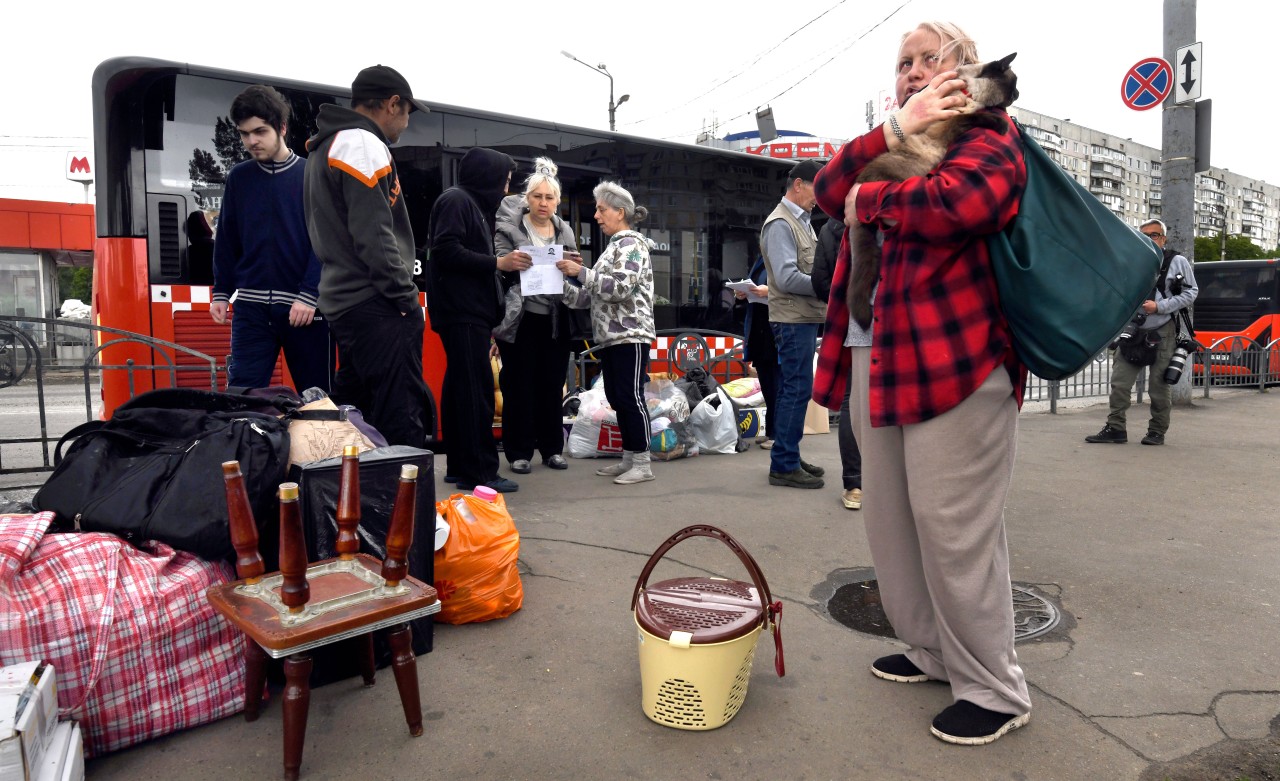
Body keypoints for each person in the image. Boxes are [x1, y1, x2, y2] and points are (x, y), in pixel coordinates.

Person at [812, 21, 1032, 745]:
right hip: (879, 354)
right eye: (901, 64)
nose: (909, 71)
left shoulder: (988, 133)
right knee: (892, 522)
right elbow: (826, 188)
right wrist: (892, 130)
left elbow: (964, 205)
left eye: (924, 60)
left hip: (958, 362)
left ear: (961, 69)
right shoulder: (897, 141)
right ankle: (933, 652)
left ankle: (995, 687)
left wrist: (872, 204)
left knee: (954, 528)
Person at [304, 65, 432, 448]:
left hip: (347, 303)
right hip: (377, 302)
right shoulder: (361, 144)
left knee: (356, 419)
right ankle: (406, 507)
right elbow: (375, 235)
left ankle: (359, 504)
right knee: (399, 417)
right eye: (407, 111)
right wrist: (405, 297)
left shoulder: (326, 145)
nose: (406, 123)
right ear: (393, 104)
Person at [212, 85, 334, 395]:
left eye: (259, 131)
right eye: (243, 133)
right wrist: (222, 292)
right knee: (241, 401)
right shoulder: (239, 178)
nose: (251, 141)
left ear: (281, 127)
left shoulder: (312, 176)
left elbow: (326, 240)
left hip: (306, 311)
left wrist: (309, 294)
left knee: (317, 402)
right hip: (251, 310)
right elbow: (227, 240)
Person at [428, 147, 527, 493]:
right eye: (505, 180)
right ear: (488, 177)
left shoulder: (467, 203)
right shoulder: (458, 202)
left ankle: (460, 464)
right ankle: (480, 472)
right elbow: (445, 250)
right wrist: (497, 264)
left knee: (460, 390)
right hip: (464, 312)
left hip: (465, 311)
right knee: (476, 393)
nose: (505, 189)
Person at [556, 181, 656, 485]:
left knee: (630, 396)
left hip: (630, 335)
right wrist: (558, 285)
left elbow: (620, 288)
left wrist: (581, 274)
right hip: (612, 338)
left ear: (619, 211)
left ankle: (642, 462)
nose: (597, 216)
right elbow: (590, 296)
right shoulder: (615, 247)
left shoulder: (631, 245)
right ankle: (630, 458)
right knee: (617, 395)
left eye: (601, 209)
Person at [493, 157, 579, 475]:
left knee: (551, 384)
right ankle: (519, 452)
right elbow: (497, 264)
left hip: (556, 319)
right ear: (526, 199)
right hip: (519, 319)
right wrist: (511, 262)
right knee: (518, 386)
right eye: (537, 196)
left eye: (549, 197)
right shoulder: (510, 229)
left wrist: (575, 267)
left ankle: (552, 449)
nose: (543, 203)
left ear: (557, 201)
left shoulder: (564, 233)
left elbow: (575, 278)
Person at [1086, 219, 1198, 446]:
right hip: (1132, 329)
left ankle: (1156, 432)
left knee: (1158, 386)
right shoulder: (1130, 260)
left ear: (1163, 239)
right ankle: (1115, 428)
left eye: (1154, 235)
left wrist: (1159, 307)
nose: (1148, 240)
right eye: (1143, 235)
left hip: (1163, 329)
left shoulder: (1177, 261)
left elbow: (1191, 292)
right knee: (1119, 382)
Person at [761, 160, 827, 489]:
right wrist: (825, 286)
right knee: (795, 389)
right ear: (798, 185)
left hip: (802, 317)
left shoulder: (801, 221)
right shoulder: (780, 223)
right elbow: (787, 277)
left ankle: (789, 454)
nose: (821, 197)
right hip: (792, 318)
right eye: (818, 188)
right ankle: (784, 464)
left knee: (798, 390)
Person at [812, 215, 862, 511]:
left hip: (854, 321)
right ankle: (894, 485)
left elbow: (820, 281)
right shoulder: (900, 205)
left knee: (850, 403)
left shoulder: (831, 227)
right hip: (896, 321)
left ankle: (854, 485)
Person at [737, 255, 776, 450]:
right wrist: (744, 293)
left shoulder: (783, 256)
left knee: (777, 384)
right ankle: (771, 431)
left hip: (775, 330)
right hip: (760, 328)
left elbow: (792, 289)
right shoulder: (760, 260)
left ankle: (777, 434)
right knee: (767, 384)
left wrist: (769, 291)